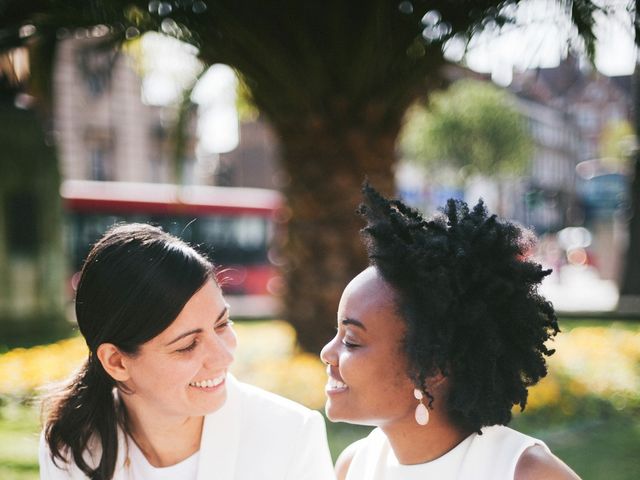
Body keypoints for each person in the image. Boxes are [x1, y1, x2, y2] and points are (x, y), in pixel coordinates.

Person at [320, 184, 581, 480]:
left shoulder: (526, 473)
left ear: (432, 365)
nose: (327, 353)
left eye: (351, 341)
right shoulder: (353, 466)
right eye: (338, 334)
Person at [40, 223, 334, 480]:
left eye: (222, 324)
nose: (224, 357)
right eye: (186, 345)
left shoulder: (290, 435)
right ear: (116, 361)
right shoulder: (72, 447)